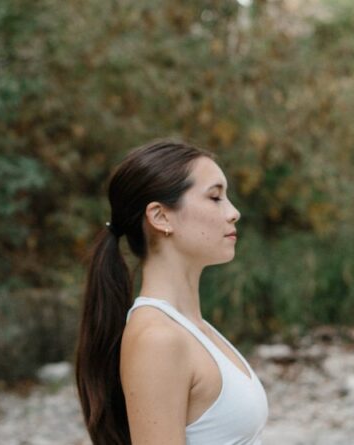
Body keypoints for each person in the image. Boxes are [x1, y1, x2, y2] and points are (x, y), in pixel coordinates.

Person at [74, 140, 269, 444]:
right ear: (160, 217)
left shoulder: (195, 329)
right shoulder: (157, 338)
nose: (234, 213)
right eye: (215, 197)